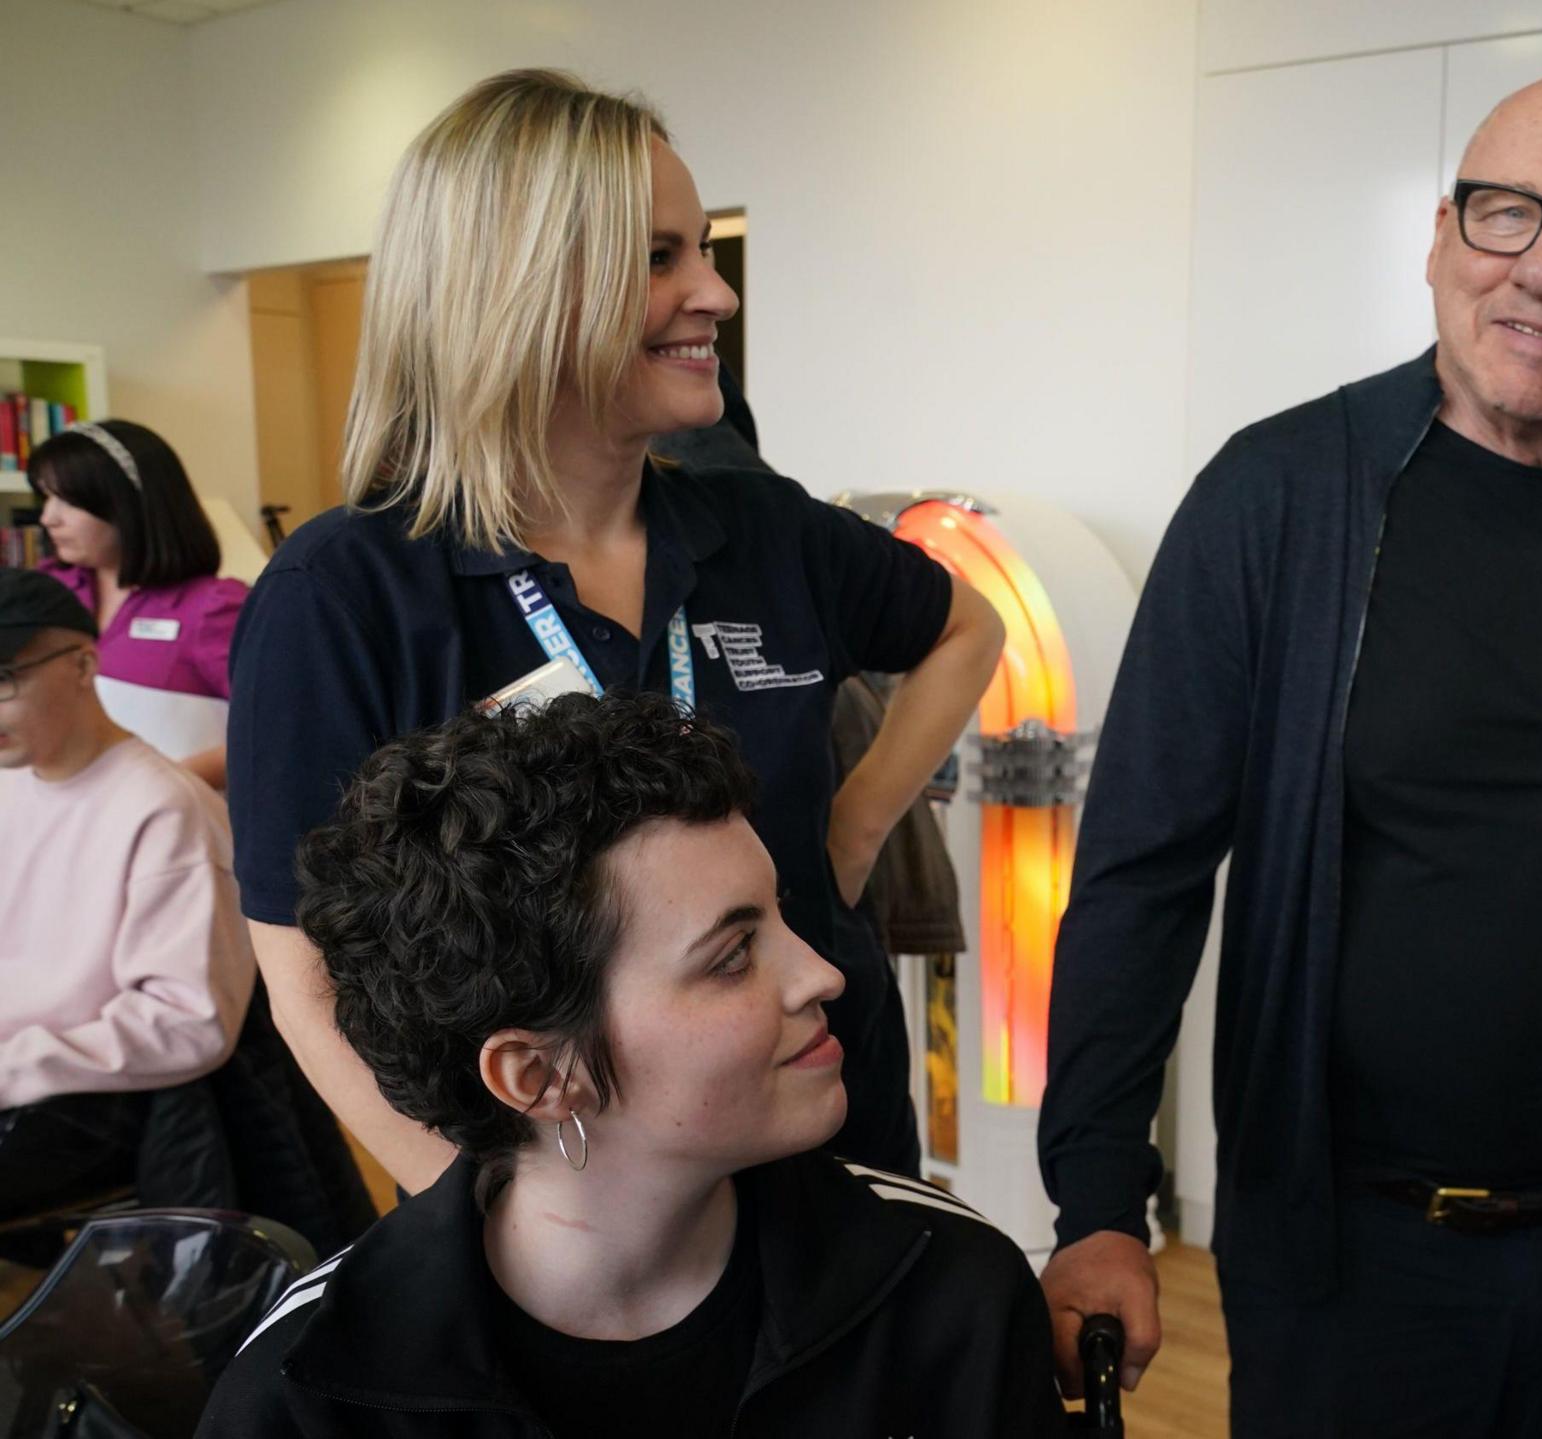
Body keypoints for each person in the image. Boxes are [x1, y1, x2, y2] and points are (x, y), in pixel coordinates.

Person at [1037, 68, 1542, 1434]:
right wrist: (1101, 1198)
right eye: (1508, 214)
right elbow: (1142, 870)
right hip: (1347, 1257)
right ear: (1442, 240)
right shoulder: (1277, 498)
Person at [224, 69, 1004, 1197]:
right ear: (517, 288)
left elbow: (962, 627)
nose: (717, 294)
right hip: (552, 1197)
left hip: (823, 1132)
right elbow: (305, 974)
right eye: (660, 258)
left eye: (704, 249)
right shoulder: (344, 591)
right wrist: (486, 1227)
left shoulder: (764, 528)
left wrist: (849, 831)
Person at [198, 693, 1065, 1437]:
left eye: (780, 918)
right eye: (732, 956)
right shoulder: (310, 1392)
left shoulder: (950, 1297)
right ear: (539, 1077)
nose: (821, 974)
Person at [0, 567, 255, 1218]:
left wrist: (15, 1066)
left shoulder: (164, 810)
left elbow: (188, 1021)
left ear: (83, 664)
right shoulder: (13, 782)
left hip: (81, 1102)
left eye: (4, 682)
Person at [31, 419, 246, 789]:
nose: (48, 518)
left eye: (67, 500)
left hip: (174, 824)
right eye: (46, 497)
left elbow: (281, 723)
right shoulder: (47, 589)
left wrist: (158, 789)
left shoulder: (212, 608)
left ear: (128, 504)